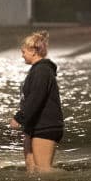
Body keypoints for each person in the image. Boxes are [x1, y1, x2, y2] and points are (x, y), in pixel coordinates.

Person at [10, 31, 63, 172]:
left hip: (45, 126)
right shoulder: (37, 70)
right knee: (31, 168)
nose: (22, 55)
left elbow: (36, 98)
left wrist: (19, 117)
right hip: (33, 126)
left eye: (23, 51)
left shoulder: (42, 71)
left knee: (43, 170)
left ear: (33, 51)